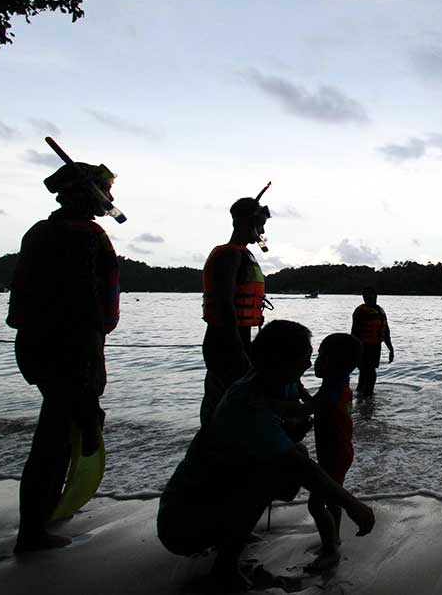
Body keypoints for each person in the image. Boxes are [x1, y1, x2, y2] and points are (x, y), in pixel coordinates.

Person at [157, 320, 374, 591]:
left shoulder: (276, 381)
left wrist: (292, 426)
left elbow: (294, 416)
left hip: (209, 495)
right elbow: (302, 467)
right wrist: (354, 505)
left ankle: (230, 540)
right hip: (181, 525)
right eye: (304, 360)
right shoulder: (248, 403)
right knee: (284, 467)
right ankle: (225, 567)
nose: (309, 366)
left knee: (287, 461)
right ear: (279, 364)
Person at [7, 161, 121, 552]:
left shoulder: (39, 232)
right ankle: (32, 531)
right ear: (89, 194)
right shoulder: (88, 237)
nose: (110, 198)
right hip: (73, 350)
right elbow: (92, 308)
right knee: (56, 440)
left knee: (55, 431)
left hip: (36, 348)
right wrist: (89, 372)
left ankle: (41, 515)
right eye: (106, 191)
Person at [199, 194, 271, 427]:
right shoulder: (228, 255)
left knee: (237, 408)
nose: (262, 231)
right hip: (224, 342)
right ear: (245, 222)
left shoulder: (243, 253)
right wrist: (238, 349)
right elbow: (224, 303)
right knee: (221, 408)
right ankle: (209, 445)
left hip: (239, 340)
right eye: (259, 224)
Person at [306, 333, 362, 569]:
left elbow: (307, 409)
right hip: (341, 451)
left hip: (333, 454)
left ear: (333, 364)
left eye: (321, 356)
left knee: (316, 504)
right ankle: (334, 537)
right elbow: (316, 405)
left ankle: (330, 550)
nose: (316, 362)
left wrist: (275, 405)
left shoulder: (331, 390)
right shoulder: (339, 384)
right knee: (332, 498)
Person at [350, 287, 394, 398]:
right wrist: (353, 350)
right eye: (366, 296)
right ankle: (368, 398)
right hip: (363, 346)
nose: (369, 298)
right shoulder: (360, 311)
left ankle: (361, 397)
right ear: (363, 297)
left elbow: (386, 332)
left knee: (366, 373)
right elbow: (354, 332)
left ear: (376, 296)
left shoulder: (380, 311)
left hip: (375, 346)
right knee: (369, 372)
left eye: (371, 295)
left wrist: (391, 349)